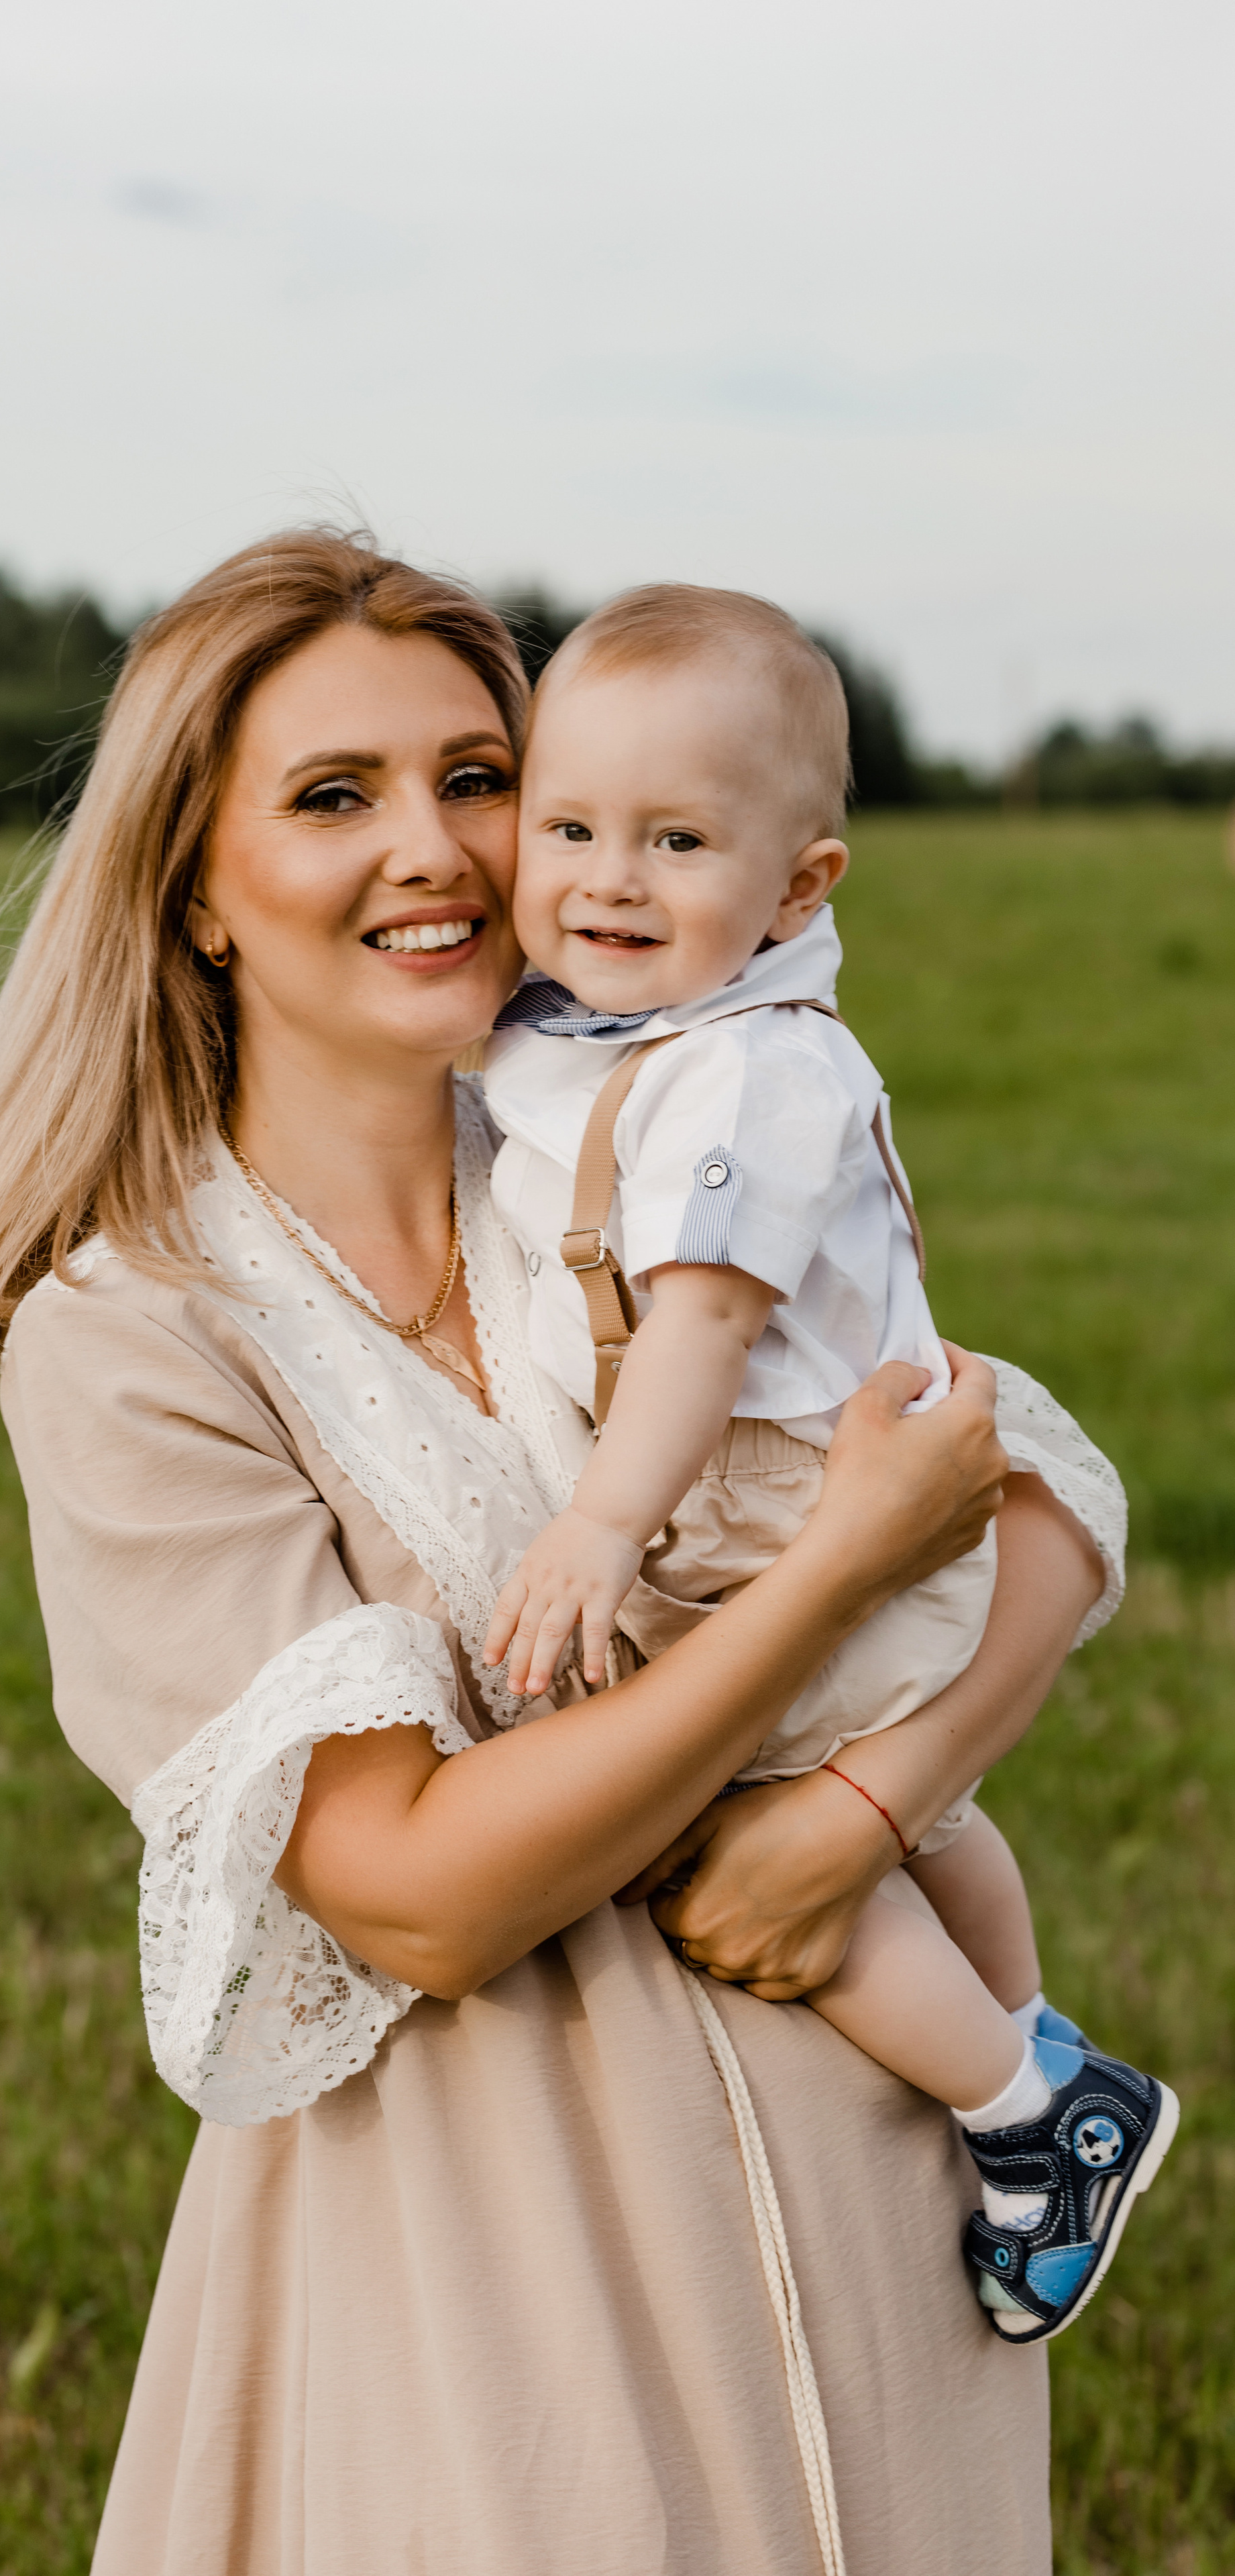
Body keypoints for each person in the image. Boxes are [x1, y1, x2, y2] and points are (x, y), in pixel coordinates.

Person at [0, 530, 1120, 2575]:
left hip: (881, 2217)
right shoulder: (136, 1334)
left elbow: (1037, 1509)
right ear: (196, 888)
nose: (436, 848)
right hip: (493, 2278)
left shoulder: (633, 1136)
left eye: (474, 777)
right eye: (332, 796)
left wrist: (861, 1814)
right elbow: (420, 1896)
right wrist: (824, 1587)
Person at [478, 584, 1174, 2341]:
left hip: (775, 1504)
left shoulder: (744, 1074)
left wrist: (600, 1525)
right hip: (788, 1499)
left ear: (799, 888)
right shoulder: (615, 1024)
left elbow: (702, 1329)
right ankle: (1032, 2048)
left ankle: (1030, 2110)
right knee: (924, 1815)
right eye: (569, 829)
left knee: (740, 1822)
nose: (610, 880)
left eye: (677, 841)